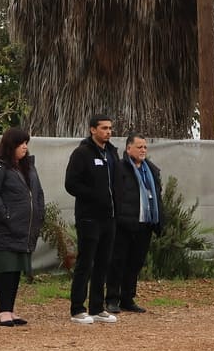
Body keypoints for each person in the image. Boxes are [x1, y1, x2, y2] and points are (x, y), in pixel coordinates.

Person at [0, 127, 44, 327]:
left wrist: (39, 215)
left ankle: (11, 309)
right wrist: (6, 216)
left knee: (15, 269)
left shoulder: (28, 166)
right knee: (5, 269)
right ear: (11, 145)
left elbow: (38, 193)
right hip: (3, 229)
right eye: (21, 143)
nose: (25, 147)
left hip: (24, 230)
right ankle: (4, 312)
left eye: (26, 143)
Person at [63, 115, 120, 325]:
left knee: (103, 263)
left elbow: (116, 182)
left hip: (110, 217)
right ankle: (78, 308)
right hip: (89, 217)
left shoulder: (112, 153)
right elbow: (71, 184)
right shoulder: (82, 153)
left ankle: (97, 308)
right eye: (104, 128)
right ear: (92, 130)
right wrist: (94, 195)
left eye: (110, 128)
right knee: (86, 262)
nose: (108, 131)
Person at [108, 135, 163, 315]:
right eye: (139, 147)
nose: (143, 150)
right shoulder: (120, 168)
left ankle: (128, 298)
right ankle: (112, 299)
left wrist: (159, 220)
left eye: (145, 147)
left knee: (135, 263)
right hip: (124, 223)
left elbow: (157, 197)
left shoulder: (151, 170)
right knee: (118, 262)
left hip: (145, 224)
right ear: (128, 149)